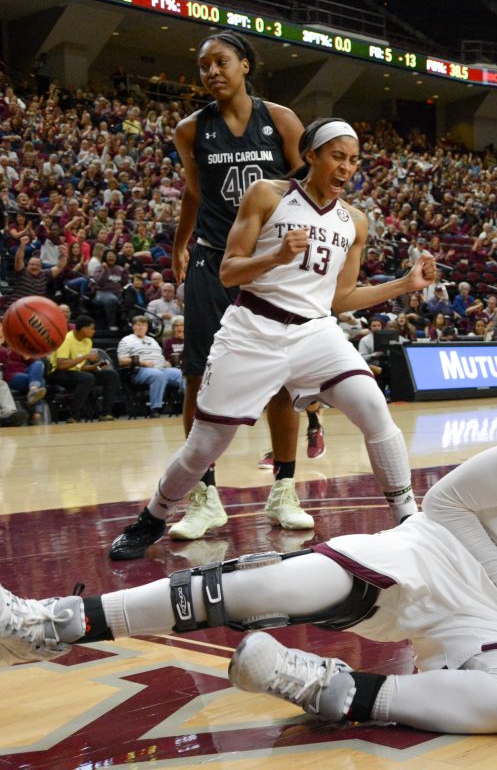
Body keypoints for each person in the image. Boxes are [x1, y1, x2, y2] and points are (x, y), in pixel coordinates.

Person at [0, 369, 497, 734]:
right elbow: (447, 501)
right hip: (434, 551)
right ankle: (47, 624)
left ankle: (336, 692)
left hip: (492, 627)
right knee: (261, 589)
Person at [105, 118, 437, 562]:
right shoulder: (267, 194)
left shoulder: (354, 221)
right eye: (337, 156)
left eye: (354, 160)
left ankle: (407, 518)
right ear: (311, 156)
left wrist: (404, 284)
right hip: (253, 329)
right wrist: (277, 254)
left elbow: (341, 298)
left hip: (316, 332)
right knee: (204, 445)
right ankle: (152, 516)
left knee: (375, 410)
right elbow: (229, 271)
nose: (346, 168)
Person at [168, 31, 307, 541]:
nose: (211, 72)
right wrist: (180, 243)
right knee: (197, 379)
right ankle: (204, 498)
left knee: (285, 379)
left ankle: (285, 490)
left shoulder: (282, 120)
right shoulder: (190, 130)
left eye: (221, 62)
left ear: (245, 65)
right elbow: (194, 193)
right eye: (203, 66)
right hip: (211, 261)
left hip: (269, 266)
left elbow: (307, 192)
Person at [49, 315, 120, 423]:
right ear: (83, 329)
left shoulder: (88, 341)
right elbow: (61, 365)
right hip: (58, 373)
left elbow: (82, 367)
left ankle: (105, 413)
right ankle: (74, 416)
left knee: (111, 375)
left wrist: (97, 366)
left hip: (77, 373)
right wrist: (85, 357)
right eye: (92, 328)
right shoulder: (66, 339)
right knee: (87, 378)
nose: (94, 331)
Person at [116, 314, 185, 415]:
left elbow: (159, 356)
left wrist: (166, 362)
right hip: (139, 371)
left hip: (161, 368)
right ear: (133, 326)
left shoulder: (152, 340)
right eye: (138, 325)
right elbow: (121, 360)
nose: (141, 327)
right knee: (158, 375)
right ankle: (155, 409)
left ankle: (189, 405)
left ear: (147, 327)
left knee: (183, 374)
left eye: (144, 325)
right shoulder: (127, 340)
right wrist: (142, 362)